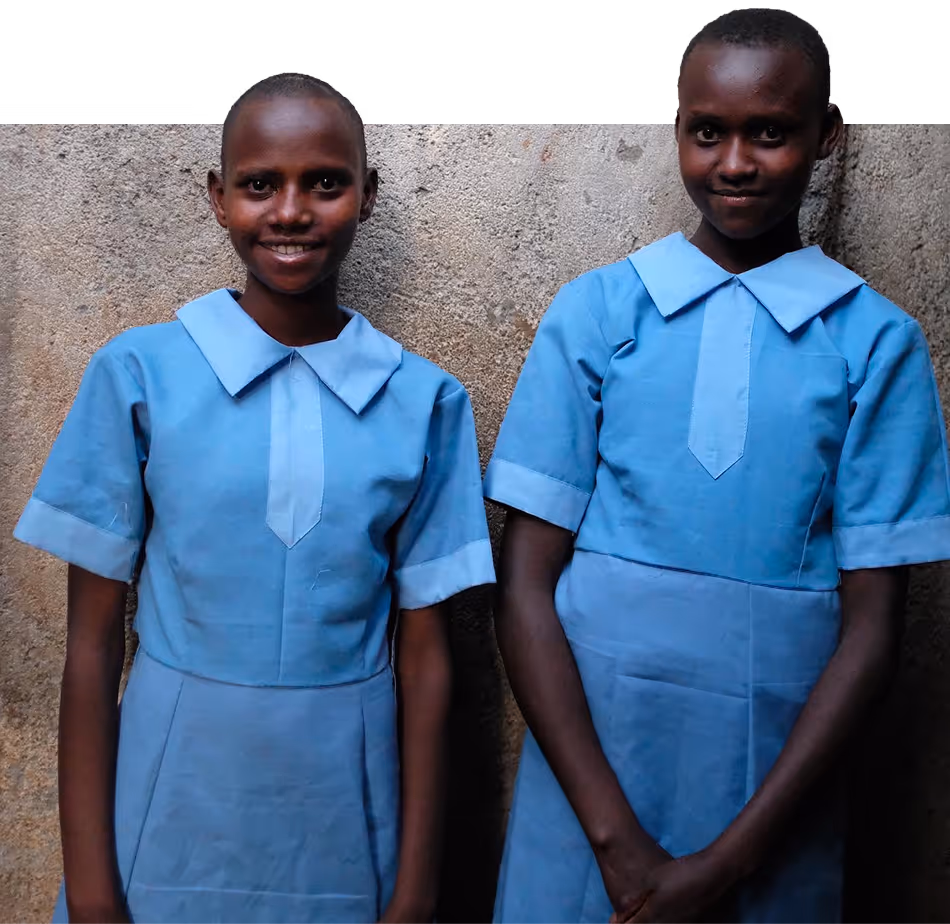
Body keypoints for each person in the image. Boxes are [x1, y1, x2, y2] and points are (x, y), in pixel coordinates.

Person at [483, 9, 950, 923]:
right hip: (592, 783)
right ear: (679, 132)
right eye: (709, 131)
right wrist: (617, 844)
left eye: (771, 132)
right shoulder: (599, 315)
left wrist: (729, 864)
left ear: (828, 135)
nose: (735, 161)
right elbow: (525, 588)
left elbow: (872, 635)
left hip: (772, 796)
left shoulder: (876, 345)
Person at [14, 73, 495, 924]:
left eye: (326, 183)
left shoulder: (425, 402)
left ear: (368, 196)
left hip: (347, 805)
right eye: (260, 184)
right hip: (169, 799)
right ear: (218, 196)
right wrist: (91, 891)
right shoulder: (139, 376)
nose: (290, 212)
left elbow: (426, 662)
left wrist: (416, 890)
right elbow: (90, 650)